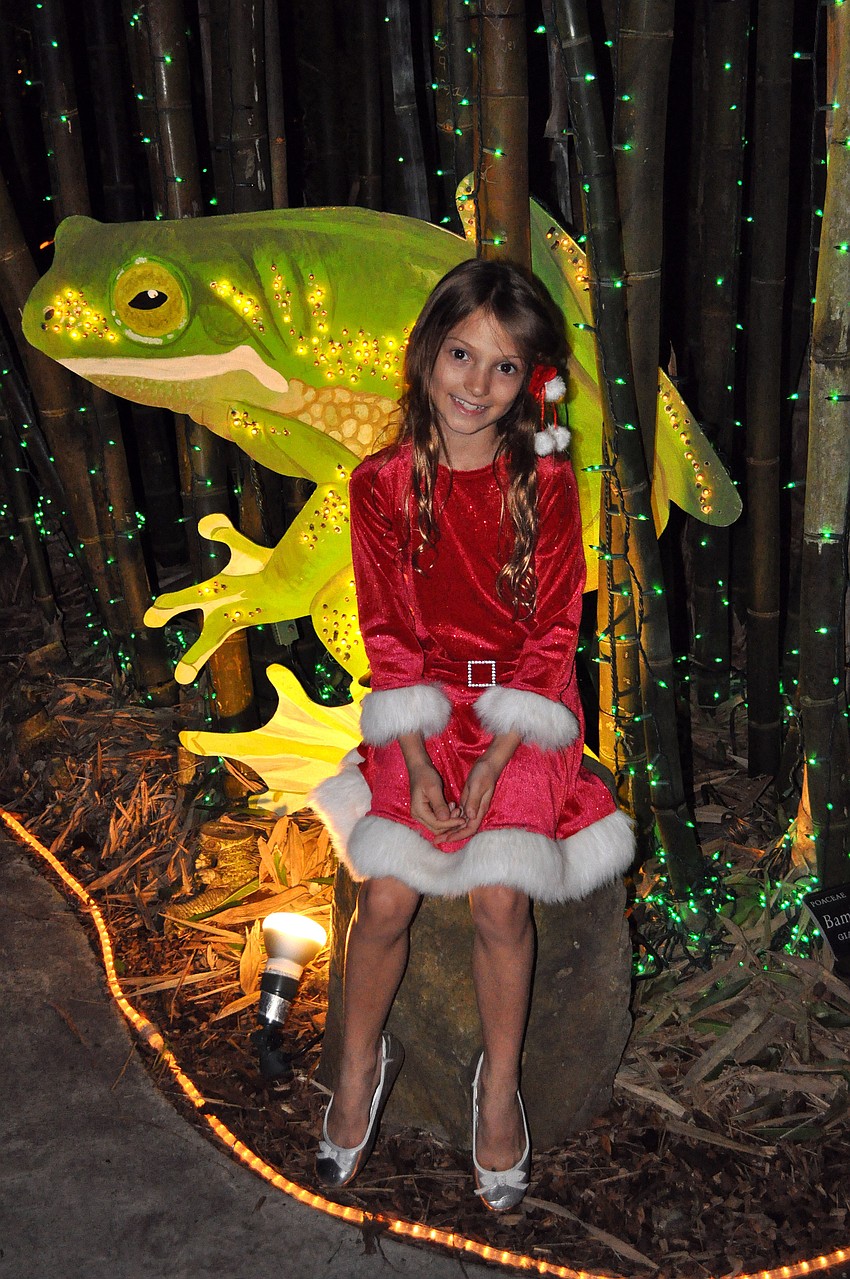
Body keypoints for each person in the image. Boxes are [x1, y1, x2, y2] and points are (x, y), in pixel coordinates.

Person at [311, 258, 634, 1210]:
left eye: (502, 367)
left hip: (523, 714)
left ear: (531, 382)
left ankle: (499, 1089)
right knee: (389, 897)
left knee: (498, 900)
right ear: (426, 354)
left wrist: (496, 758)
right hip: (419, 710)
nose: (474, 385)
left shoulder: (545, 485)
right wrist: (413, 759)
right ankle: (359, 1064)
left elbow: (551, 639)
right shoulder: (380, 483)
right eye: (461, 354)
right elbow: (388, 635)